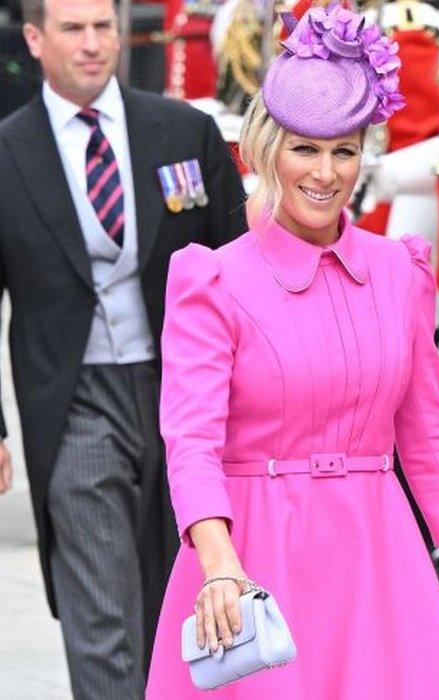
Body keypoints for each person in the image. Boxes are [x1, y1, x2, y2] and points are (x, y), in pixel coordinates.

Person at [145, 4, 439, 697]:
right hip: (254, 558)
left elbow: (425, 433)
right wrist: (218, 563)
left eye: (345, 150)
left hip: (380, 559)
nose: (326, 173)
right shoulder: (211, 279)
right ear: (263, 150)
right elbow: (191, 442)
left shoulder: (399, 272)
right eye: (305, 148)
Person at [0, 0, 246, 696]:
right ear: (34, 39)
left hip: (186, 393)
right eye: (72, 29)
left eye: (102, 26)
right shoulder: (7, 154)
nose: (91, 44)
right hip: (73, 399)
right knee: (100, 610)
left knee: (192, 594)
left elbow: (239, 271)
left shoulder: (184, 131)